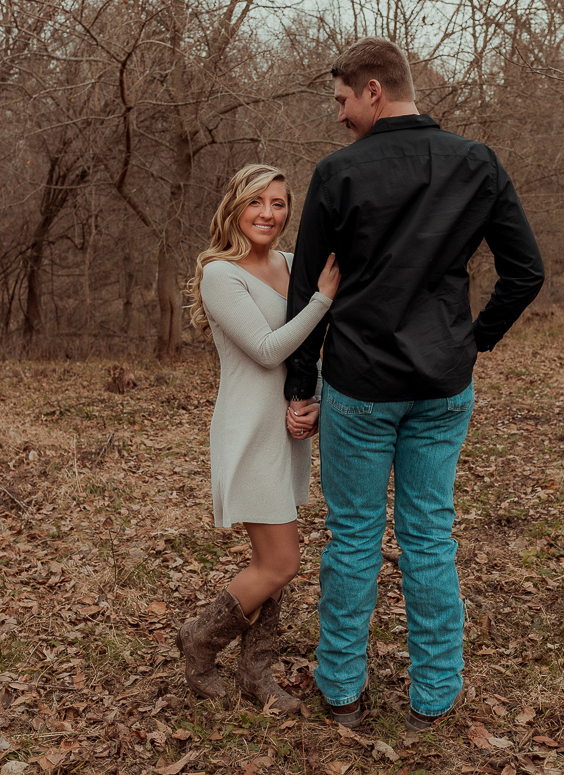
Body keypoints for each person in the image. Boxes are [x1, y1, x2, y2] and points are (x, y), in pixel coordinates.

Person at [282, 37, 544, 731]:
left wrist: (299, 387)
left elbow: (307, 289)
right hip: (441, 384)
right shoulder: (476, 162)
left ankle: (342, 691)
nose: (339, 114)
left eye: (342, 99)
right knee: (429, 536)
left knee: (353, 537)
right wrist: (472, 341)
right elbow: (526, 272)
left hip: (359, 385)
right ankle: (433, 697)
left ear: (374, 90)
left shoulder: (337, 173)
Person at [177, 163, 341, 713]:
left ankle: (255, 674)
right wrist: (322, 300)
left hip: (287, 429)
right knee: (280, 563)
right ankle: (199, 640)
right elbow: (269, 350)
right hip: (248, 429)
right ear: (235, 206)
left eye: (278, 203)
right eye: (256, 201)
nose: (268, 213)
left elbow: (306, 352)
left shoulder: (293, 265)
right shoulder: (220, 274)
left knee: (272, 560)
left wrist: (312, 399)